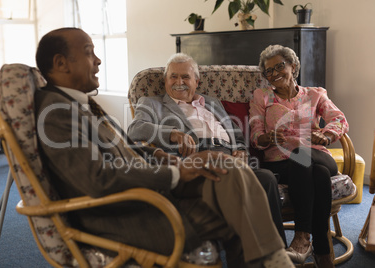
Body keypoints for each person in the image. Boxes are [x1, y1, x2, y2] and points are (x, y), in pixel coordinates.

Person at [34, 28, 293, 268]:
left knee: (230, 170)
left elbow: (123, 147)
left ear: (197, 81)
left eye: (186, 77)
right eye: (89, 52)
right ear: (60, 63)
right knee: (238, 196)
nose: (98, 60)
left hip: (156, 181)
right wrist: (175, 169)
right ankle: (275, 258)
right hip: (129, 214)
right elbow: (97, 178)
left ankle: (274, 257)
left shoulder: (79, 105)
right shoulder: (57, 113)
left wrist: (156, 154)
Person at [127, 52, 286, 246]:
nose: (179, 82)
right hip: (197, 160)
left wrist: (241, 150)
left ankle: (277, 251)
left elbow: (235, 133)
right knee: (246, 184)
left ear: (196, 80)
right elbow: (134, 130)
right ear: (165, 80)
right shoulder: (152, 103)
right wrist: (173, 133)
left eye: (185, 76)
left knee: (267, 179)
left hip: (230, 157)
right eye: (173, 76)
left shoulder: (211, 102)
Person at [249, 44, 349, 268]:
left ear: (293, 66)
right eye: (269, 71)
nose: (274, 74)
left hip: (317, 155)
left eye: (279, 67)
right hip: (280, 165)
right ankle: (322, 251)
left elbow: (339, 119)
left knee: (303, 154)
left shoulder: (315, 94)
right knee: (319, 175)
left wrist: (327, 135)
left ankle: (303, 236)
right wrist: (269, 137)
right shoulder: (261, 97)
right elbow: (256, 135)